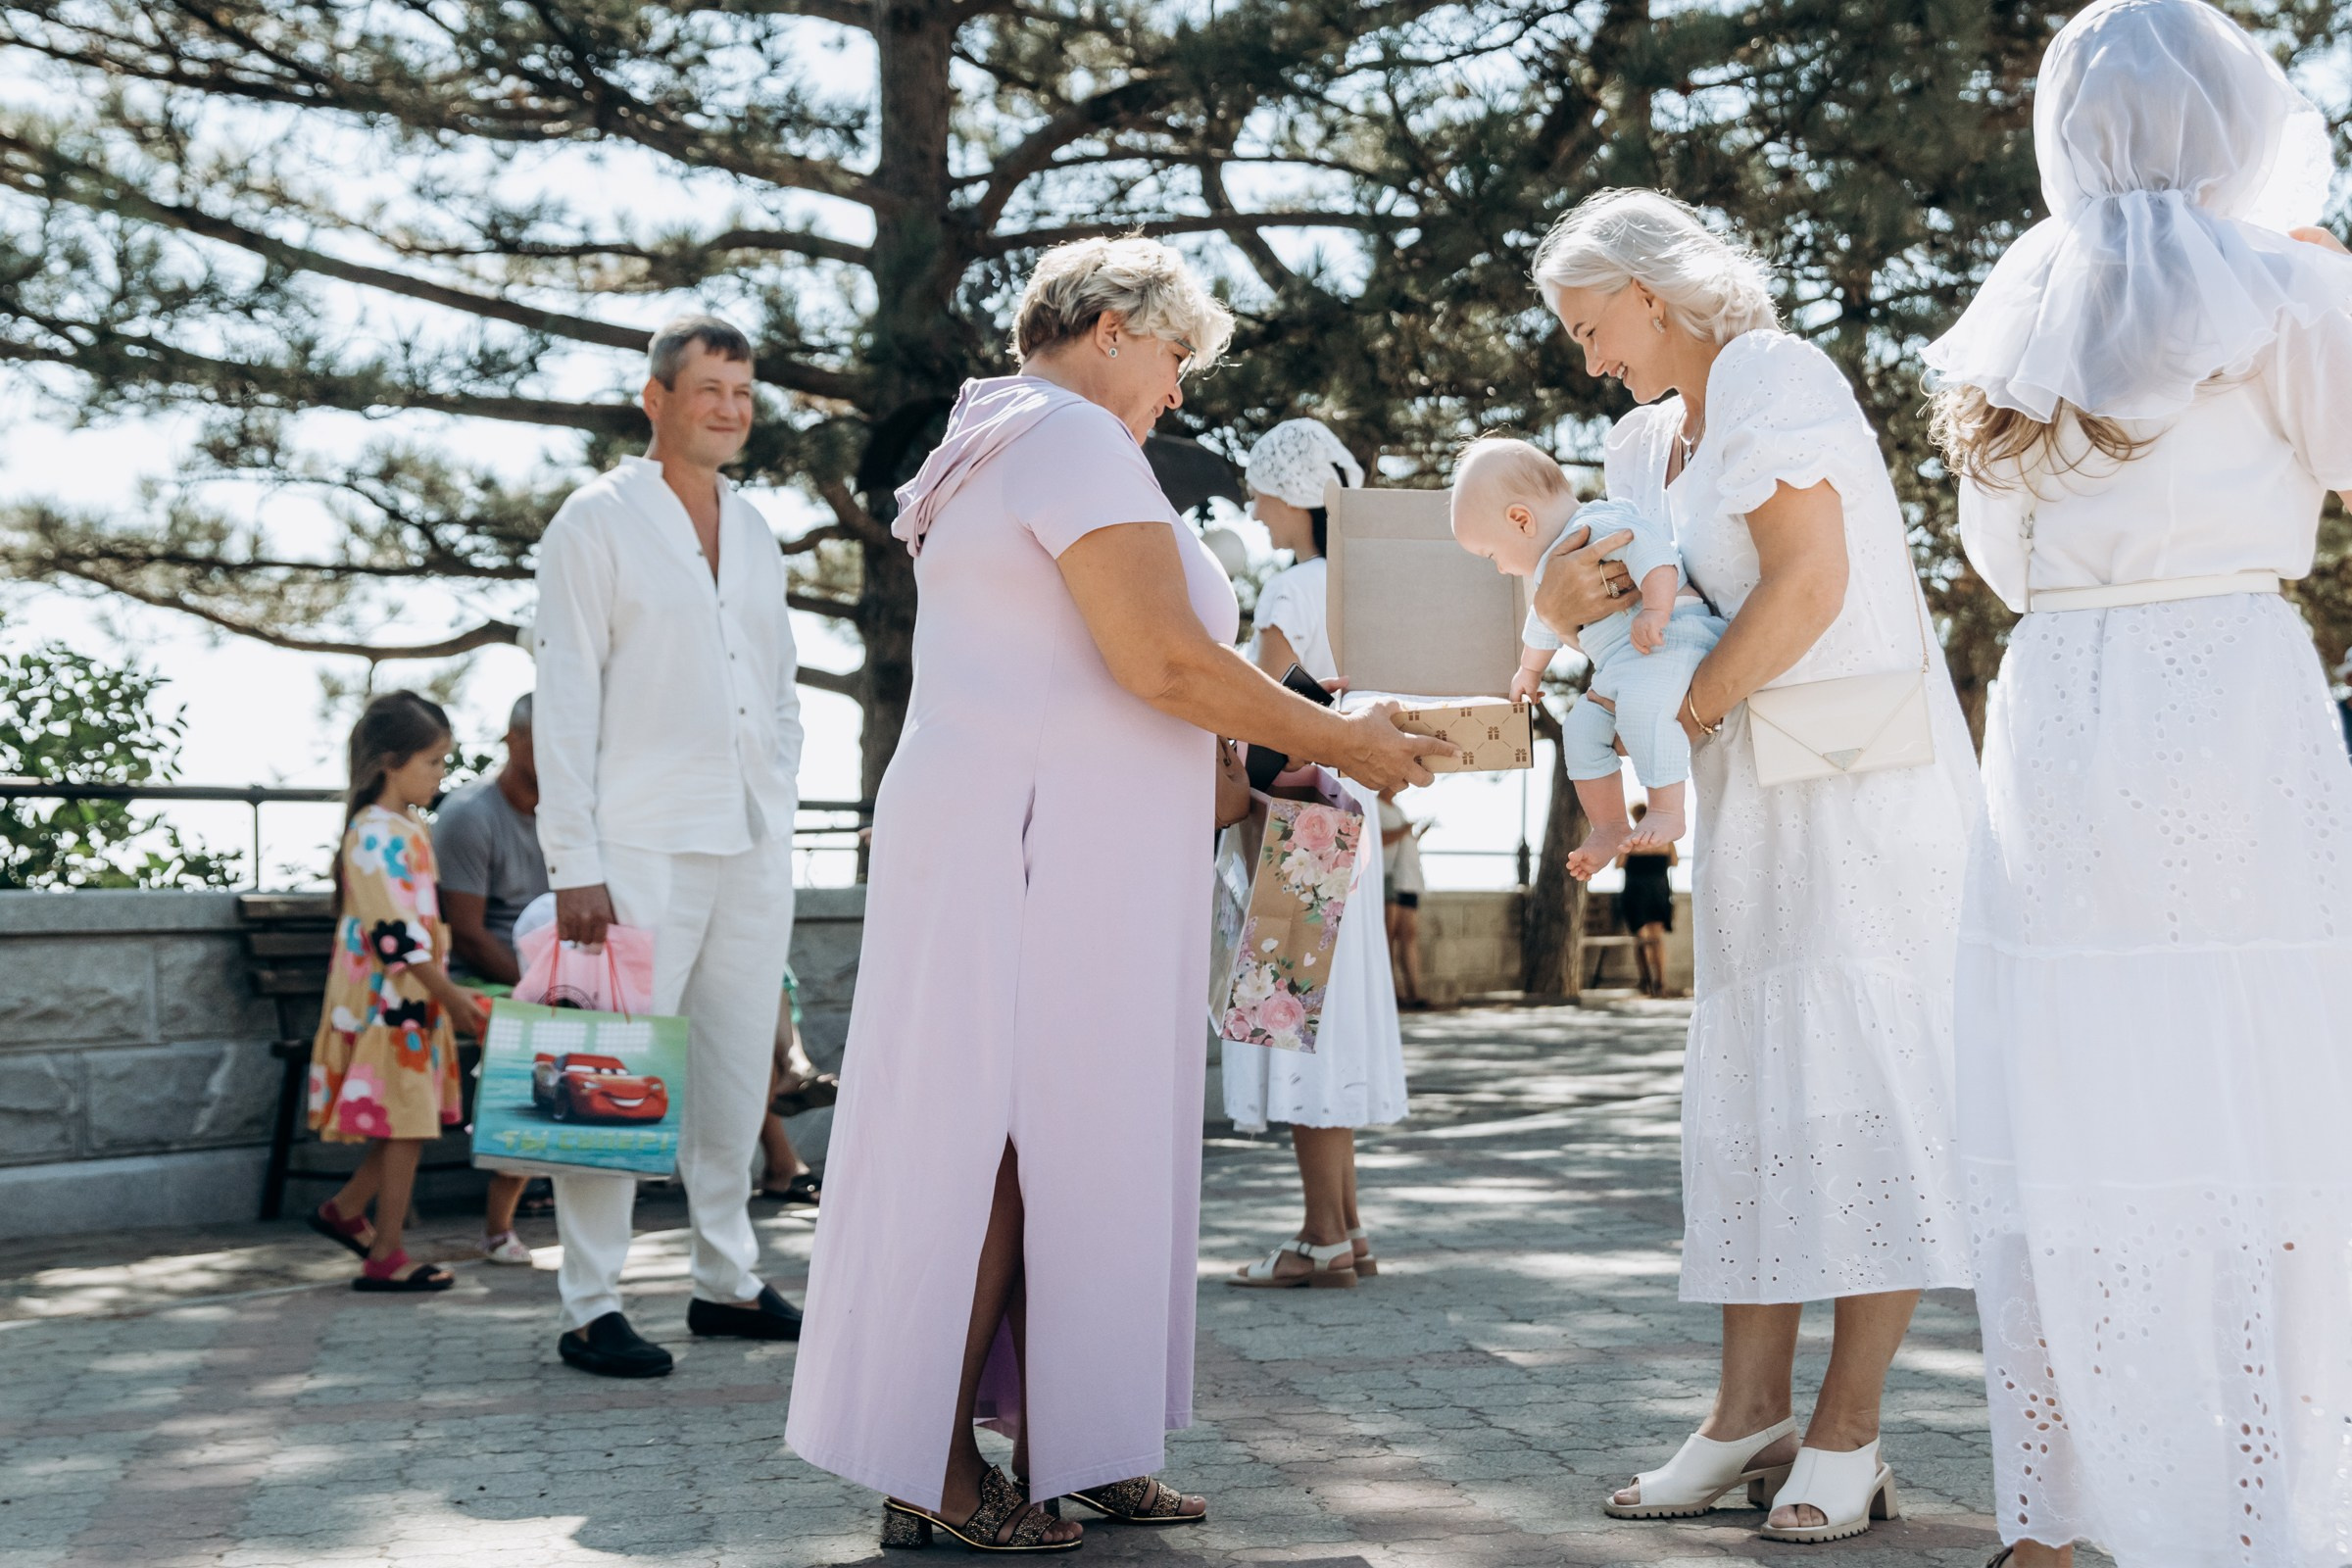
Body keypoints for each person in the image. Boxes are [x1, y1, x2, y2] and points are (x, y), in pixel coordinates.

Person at [784, 238, 1442, 1554]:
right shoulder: (1072, 436)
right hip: (1042, 846)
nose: (1181, 390)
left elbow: (1088, 667)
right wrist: (1347, 741)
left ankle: (1079, 1440)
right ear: (1107, 327)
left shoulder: (994, 438)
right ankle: (933, 1465)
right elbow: (1160, 660)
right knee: (1010, 1140)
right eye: (1176, 355)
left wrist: (1253, 770)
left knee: (1077, 1139)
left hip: (1041, 832)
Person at [1921, 5, 2352, 1563]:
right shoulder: (2286, 285)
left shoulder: (2020, 303)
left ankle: (2058, 1512)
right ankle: (2260, 1500)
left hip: (2061, 699)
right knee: (2260, 1071)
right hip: (2230, 686)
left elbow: (1993, 552)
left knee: (2076, 1075)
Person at [1532, 188, 1983, 1544]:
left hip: (1857, 794)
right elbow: (1620, 610)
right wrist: (1555, 608)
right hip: (1746, 800)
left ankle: (1849, 1429)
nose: (1587, 357)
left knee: (1864, 1091)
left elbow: (1809, 585)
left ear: (1648, 291)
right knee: (1761, 1099)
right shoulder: (1638, 439)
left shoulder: (1778, 375)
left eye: (1590, 325)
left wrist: (1679, 719)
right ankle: (1746, 1416)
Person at [532, 313, 807, 1378]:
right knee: (609, 1072)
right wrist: (574, 863)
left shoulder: (759, 529)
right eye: (710, 390)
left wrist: (779, 788)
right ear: (657, 398)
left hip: (750, 837)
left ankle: (724, 1281)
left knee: (736, 1074)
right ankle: (590, 1303)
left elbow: (779, 686)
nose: (731, 410)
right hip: (634, 845)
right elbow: (565, 694)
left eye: (744, 392)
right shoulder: (594, 521)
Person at [1223, 416, 1410, 1290]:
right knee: (1324, 1026)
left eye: (1262, 492)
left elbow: (1262, 711)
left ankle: (1320, 1237)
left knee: (1293, 1024)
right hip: (1350, 814)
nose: (1256, 510)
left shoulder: (1292, 589)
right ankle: (1348, 1228)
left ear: (1296, 494)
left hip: (1295, 825)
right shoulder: (1363, 588)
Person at [1450, 443, 1725, 874]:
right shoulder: (1549, 570)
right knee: (1579, 730)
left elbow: (1654, 555)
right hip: (1623, 665)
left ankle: (1667, 810)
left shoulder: (1598, 523)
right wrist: (1529, 670)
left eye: (1492, 555)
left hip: (1672, 636)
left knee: (1641, 710)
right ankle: (1609, 824)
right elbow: (1544, 621)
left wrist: (1655, 611)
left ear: (1521, 520)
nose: (1500, 568)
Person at [303, 691, 490, 1294]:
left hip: (409, 1001)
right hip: (387, 1003)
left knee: (405, 1116)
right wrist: (452, 996)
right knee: (407, 1121)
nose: (441, 774)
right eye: (432, 762)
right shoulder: (373, 833)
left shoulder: (406, 827)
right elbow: (394, 934)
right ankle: (385, 1254)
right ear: (391, 762)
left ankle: (347, 1211)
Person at [432, 691, 548, 1265]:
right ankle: (499, 1227)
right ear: (512, 740)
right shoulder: (469, 814)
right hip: (482, 981)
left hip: (552, 978)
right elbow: (469, 936)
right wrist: (542, 990)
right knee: (537, 1034)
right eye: (547, 739)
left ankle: (596, 1179)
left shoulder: (576, 817)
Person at [1616, 805, 1676, 999]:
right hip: (1658, 891)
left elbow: (1618, 864)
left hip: (1636, 892)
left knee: (1641, 939)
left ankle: (1646, 982)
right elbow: (1674, 862)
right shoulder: (1665, 839)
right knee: (1656, 939)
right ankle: (1660, 983)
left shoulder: (1630, 839)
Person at [1378, 790, 1427, 1008]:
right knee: (1387, 938)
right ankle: (1392, 995)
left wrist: (1415, 834)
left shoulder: (1397, 809)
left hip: (1408, 879)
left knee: (1408, 936)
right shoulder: (1376, 806)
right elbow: (1379, 839)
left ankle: (1413, 994)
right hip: (1391, 878)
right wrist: (1404, 830)